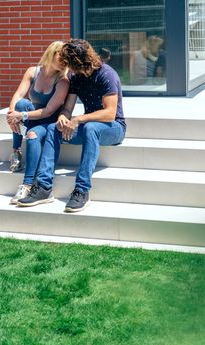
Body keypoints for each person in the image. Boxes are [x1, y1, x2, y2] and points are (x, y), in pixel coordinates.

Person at [16, 38, 126, 213]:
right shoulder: (76, 77)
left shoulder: (107, 74)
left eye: (70, 64)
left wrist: (78, 119)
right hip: (89, 124)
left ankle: (82, 190)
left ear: (79, 62)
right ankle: (44, 187)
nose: (67, 68)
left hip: (113, 128)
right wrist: (63, 117)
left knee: (91, 128)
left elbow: (109, 113)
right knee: (53, 128)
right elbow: (68, 108)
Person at [6, 41, 70, 204]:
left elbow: (48, 111)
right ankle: (16, 150)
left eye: (66, 57)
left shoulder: (63, 81)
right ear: (52, 52)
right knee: (20, 105)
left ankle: (27, 185)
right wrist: (11, 114)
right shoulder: (33, 72)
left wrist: (22, 116)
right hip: (32, 114)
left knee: (32, 134)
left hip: (49, 121)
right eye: (60, 55)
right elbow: (19, 94)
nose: (64, 59)